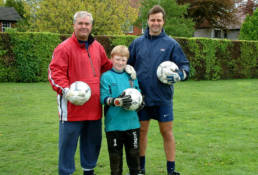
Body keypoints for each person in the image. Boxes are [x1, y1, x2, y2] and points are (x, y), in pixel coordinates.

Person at [48, 11, 135, 175]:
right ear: (74, 25)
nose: (83, 26)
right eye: (80, 23)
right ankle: (65, 172)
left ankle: (89, 171)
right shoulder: (63, 48)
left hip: (94, 110)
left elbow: (106, 66)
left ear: (91, 26)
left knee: (92, 145)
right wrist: (67, 91)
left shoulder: (97, 47)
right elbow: (55, 73)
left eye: (87, 24)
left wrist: (124, 69)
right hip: (72, 110)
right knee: (67, 147)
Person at [128, 5, 190, 175]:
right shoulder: (137, 42)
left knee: (167, 133)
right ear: (147, 21)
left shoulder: (171, 44)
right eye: (152, 20)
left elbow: (185, 66)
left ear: (163, 22)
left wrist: (180, 74)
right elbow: (128, 64)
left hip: (163, 98)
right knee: (141, 132)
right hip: (141, 99)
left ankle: (171, 170)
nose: (155, 23)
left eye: (159, 20)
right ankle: (140, 170)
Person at [100, 45, 144, 175]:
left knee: (134, 159)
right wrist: (115, 101)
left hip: (132, 124)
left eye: (123, 60)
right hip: (114, 125)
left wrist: (140, 101)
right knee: (116, 163)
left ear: (127, 61)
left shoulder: (131, 76)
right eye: (118, 59)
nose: (120, 63)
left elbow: (138, 93)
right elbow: (102, 97)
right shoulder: (106, 77)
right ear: (112, 59)